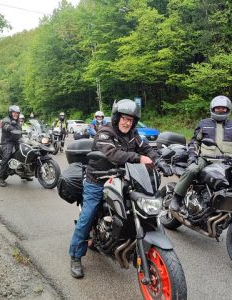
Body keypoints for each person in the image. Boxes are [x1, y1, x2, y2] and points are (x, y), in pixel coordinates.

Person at [68, 99, 172, 279]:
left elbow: (147, 149)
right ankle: (76, 256)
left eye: (130, 120)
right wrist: (138, 158)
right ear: (117, 118)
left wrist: (159, 161)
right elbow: (113, 154)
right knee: (87, 215)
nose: (127, 122)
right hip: (98, 179)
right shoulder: (105, 132)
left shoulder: (134, 134)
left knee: (139, 207)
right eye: (124, 118)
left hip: (123, 177)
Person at [169, 95, 232, 213]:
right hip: (206, 159)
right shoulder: (204, 123)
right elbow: (194, 142)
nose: (220, 110)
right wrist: (192, 157)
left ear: (228, 109)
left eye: (223, 108)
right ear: (213, 109)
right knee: (192, 169)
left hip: (228, 162)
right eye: (218, 108)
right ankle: (177, 198)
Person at [0, 105, 22, 187]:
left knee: (23, 153)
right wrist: (12, 129)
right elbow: (7, 127)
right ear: (10, 113)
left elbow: (21, 129)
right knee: (7, 156)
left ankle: (24, 174)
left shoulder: (18, 121)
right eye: (14, 113)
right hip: (7, 141)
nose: (16, 114)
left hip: (16, 141)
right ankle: (1, 178)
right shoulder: (6, 120)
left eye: (17, 113)